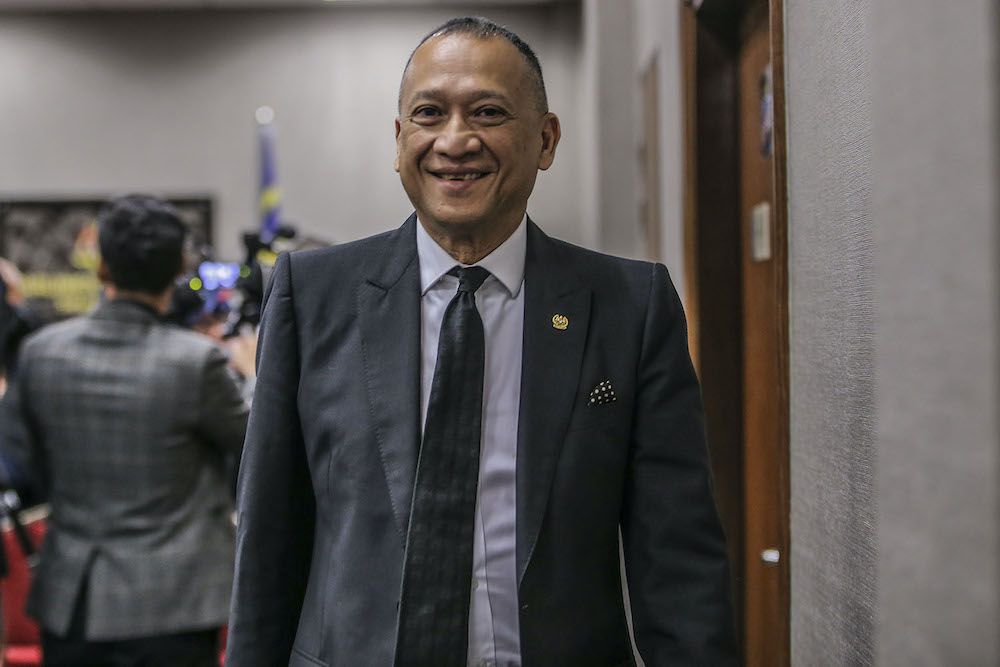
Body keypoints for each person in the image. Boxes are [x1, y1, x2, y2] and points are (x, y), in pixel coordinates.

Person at [226, 17, 736, 667]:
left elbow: (678, 559)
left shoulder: (629, 305)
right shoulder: (312, 292)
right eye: (429, 113)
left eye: (488, 112)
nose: (455, 140)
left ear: (546, 139)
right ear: (399, 139)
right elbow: (269, 540)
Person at [0, 195, 249, 666]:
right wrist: (256, 377)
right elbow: (257, 450)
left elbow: (22, 466)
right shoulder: (197, 363)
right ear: (178, 267)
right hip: (174, 606)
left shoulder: (40, 353)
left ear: (101, 268)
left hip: (73, 602)